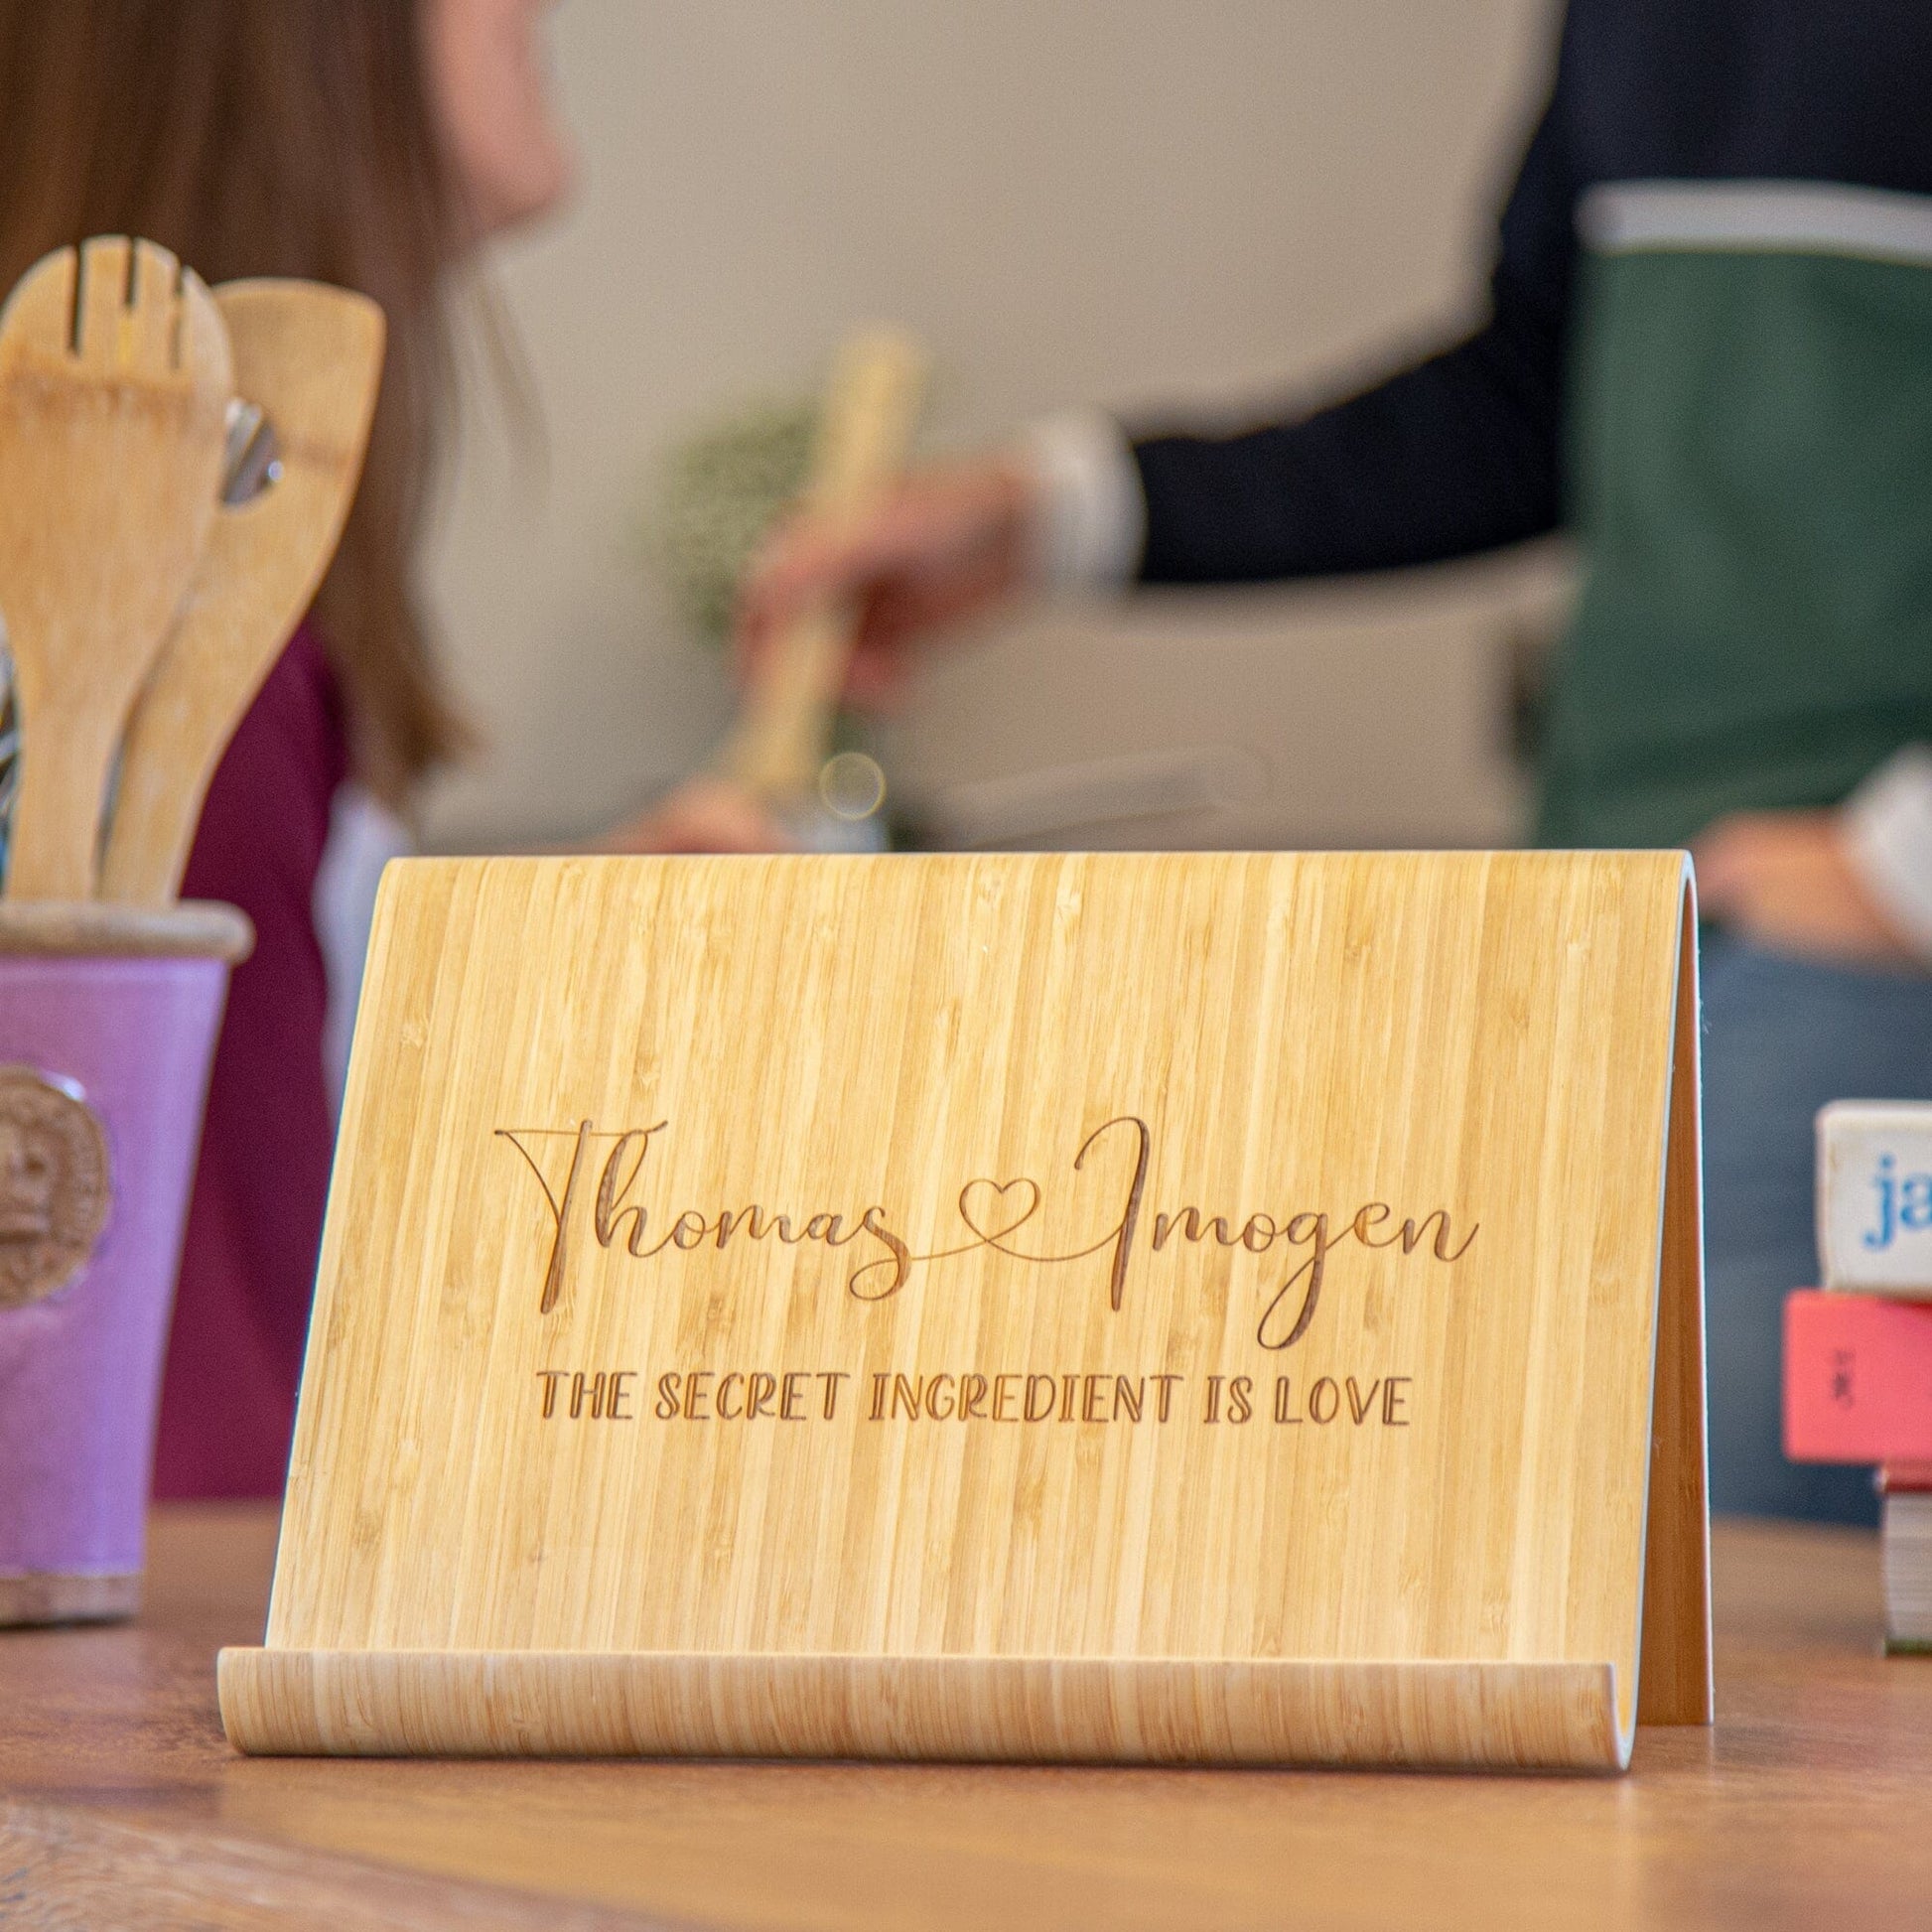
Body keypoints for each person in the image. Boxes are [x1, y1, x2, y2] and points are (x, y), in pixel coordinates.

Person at [734, 1, 1932, 1521]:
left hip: (1851, 984)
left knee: (1740, 1637)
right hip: (1623, 933)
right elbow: (1529, 402)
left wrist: (1904, 864)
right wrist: (1063, 512)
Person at [0, 0, 758, 1498]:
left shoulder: (227, 624)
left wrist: (493, 988)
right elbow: (187, 1367)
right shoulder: (147, 634)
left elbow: (264, 1114)